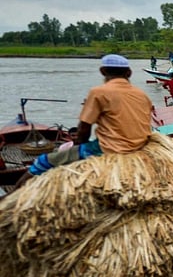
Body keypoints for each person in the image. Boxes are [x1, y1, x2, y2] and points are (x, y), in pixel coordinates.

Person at [16, 54, 153, 188]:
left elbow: (84, 128)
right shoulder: (142, 94)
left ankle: (11, 198)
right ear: (129, 73)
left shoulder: (99, 92)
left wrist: (80, 151)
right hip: (139, 146)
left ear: (103, 71)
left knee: (43, 161)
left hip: (109, 149)